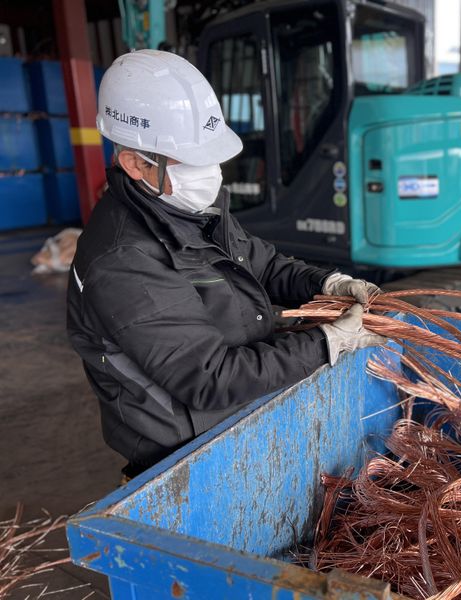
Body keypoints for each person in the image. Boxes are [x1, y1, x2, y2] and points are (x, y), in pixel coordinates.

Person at [66, 50, 384, 479]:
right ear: (137, 164)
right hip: (187, 449)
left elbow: (260, 263)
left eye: (211, 156)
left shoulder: (183, 205)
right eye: (194, 161)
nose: (212, 173)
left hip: (241, 405)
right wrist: (323, 343)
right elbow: (209, 378)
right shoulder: (123, 262)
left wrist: (328, 282)